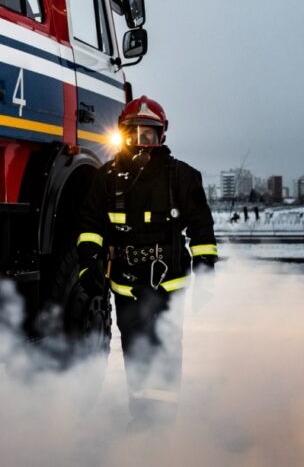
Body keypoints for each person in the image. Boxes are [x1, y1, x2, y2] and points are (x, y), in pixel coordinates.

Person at [76, 96, 217, 428]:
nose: (141, 142)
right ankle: (141, 418)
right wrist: (87, 263)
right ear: (122, 134)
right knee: (136, 350)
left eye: (149, 135)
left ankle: (163, 423)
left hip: (169, 283)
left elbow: (201, 226)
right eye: (134, 134)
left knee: (166, 348)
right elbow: (90, 224)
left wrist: (206, 267)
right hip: (126, 283)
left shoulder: (183, 177)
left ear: (162, 136)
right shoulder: (106, 177)